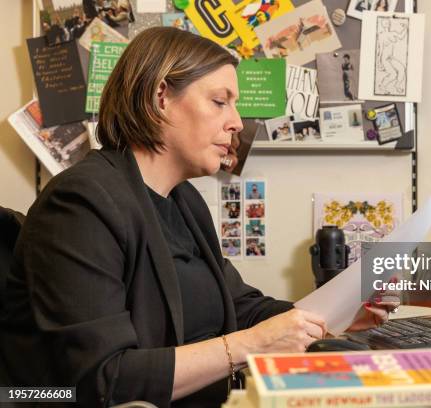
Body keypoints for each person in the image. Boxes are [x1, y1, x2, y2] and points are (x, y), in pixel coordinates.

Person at [0, 28, 397, 407]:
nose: (237, 122)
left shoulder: (184, 200)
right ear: (160, 97)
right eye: (219, 101)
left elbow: (242, 308)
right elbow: (105, 380)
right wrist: (251, 345)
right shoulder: (80, 204)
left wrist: (335, 321)